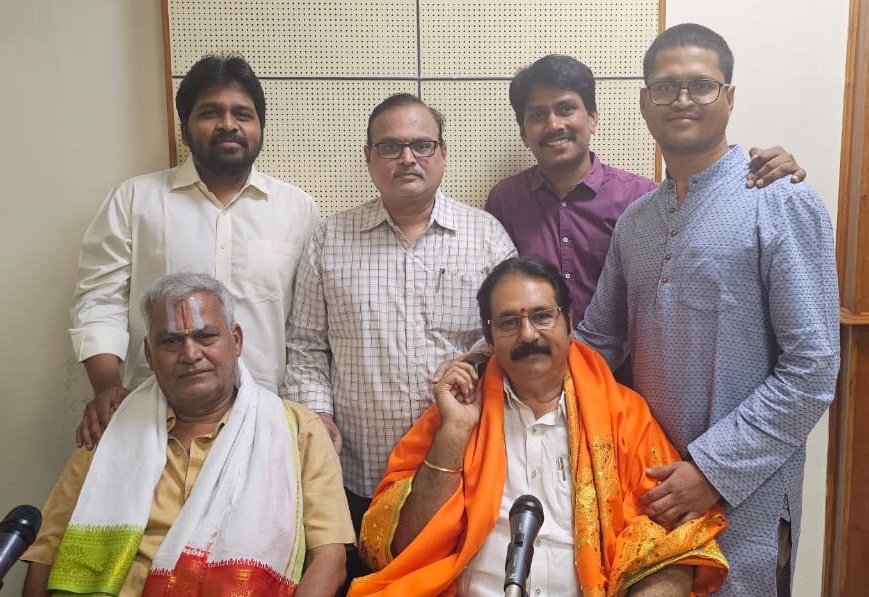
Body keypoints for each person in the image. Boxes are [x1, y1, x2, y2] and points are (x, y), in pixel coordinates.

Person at [576, 24, 839, 596]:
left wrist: (712, 470)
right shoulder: (637, 221)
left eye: (700, 84)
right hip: (653, 487)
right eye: (665, 87)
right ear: (645, 103)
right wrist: (494, 360)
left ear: (730, 96)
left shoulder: (781, 199)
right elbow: (596, 341)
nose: (682, 99)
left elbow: (813, 369)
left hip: (746, 494)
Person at [350, 257, 729, 596]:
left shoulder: (624, 417)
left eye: (542, 316)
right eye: (509, 322)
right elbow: (399, 547)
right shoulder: (457, 412)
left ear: (568, 319)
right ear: (489, 336)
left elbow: (678, 544)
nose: (528, 334)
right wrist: (453, 435)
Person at [284, 93, 516, 573]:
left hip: (461, 466)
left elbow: (511, 338)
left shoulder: (487, 236)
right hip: (358, 473)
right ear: (369, 158)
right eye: (389, 147)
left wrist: (471, 365)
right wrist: (317, 415)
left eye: (422, 145)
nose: (407, 158)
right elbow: (305, 345)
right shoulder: (329, 239)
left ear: (443, 153)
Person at [23, 273, 354, 596]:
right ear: (149, 355)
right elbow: (46, 550)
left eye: (206, 336)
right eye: (171, 341)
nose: (190, 354)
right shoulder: (111, 428)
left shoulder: (296, 430)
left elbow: (330, 558)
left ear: (236, 341)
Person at [72, 54, 318, 449]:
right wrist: (106, 388)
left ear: (260, 128)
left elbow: (309, 326)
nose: (228, 124)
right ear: (185, 130)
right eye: (210, 113)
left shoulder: (298, 210)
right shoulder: (136, 200)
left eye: (243, 113)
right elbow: (99, 299)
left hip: (266, 417)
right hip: (154, 415)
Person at [486, 53, 806, 322]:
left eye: (566, 109)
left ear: (593, 118)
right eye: (539, 115)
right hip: (537, 375)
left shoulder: (641, 198)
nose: (555, 124)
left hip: (630, 381)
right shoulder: (505, 201)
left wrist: (769, 173)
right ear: (525, 134)